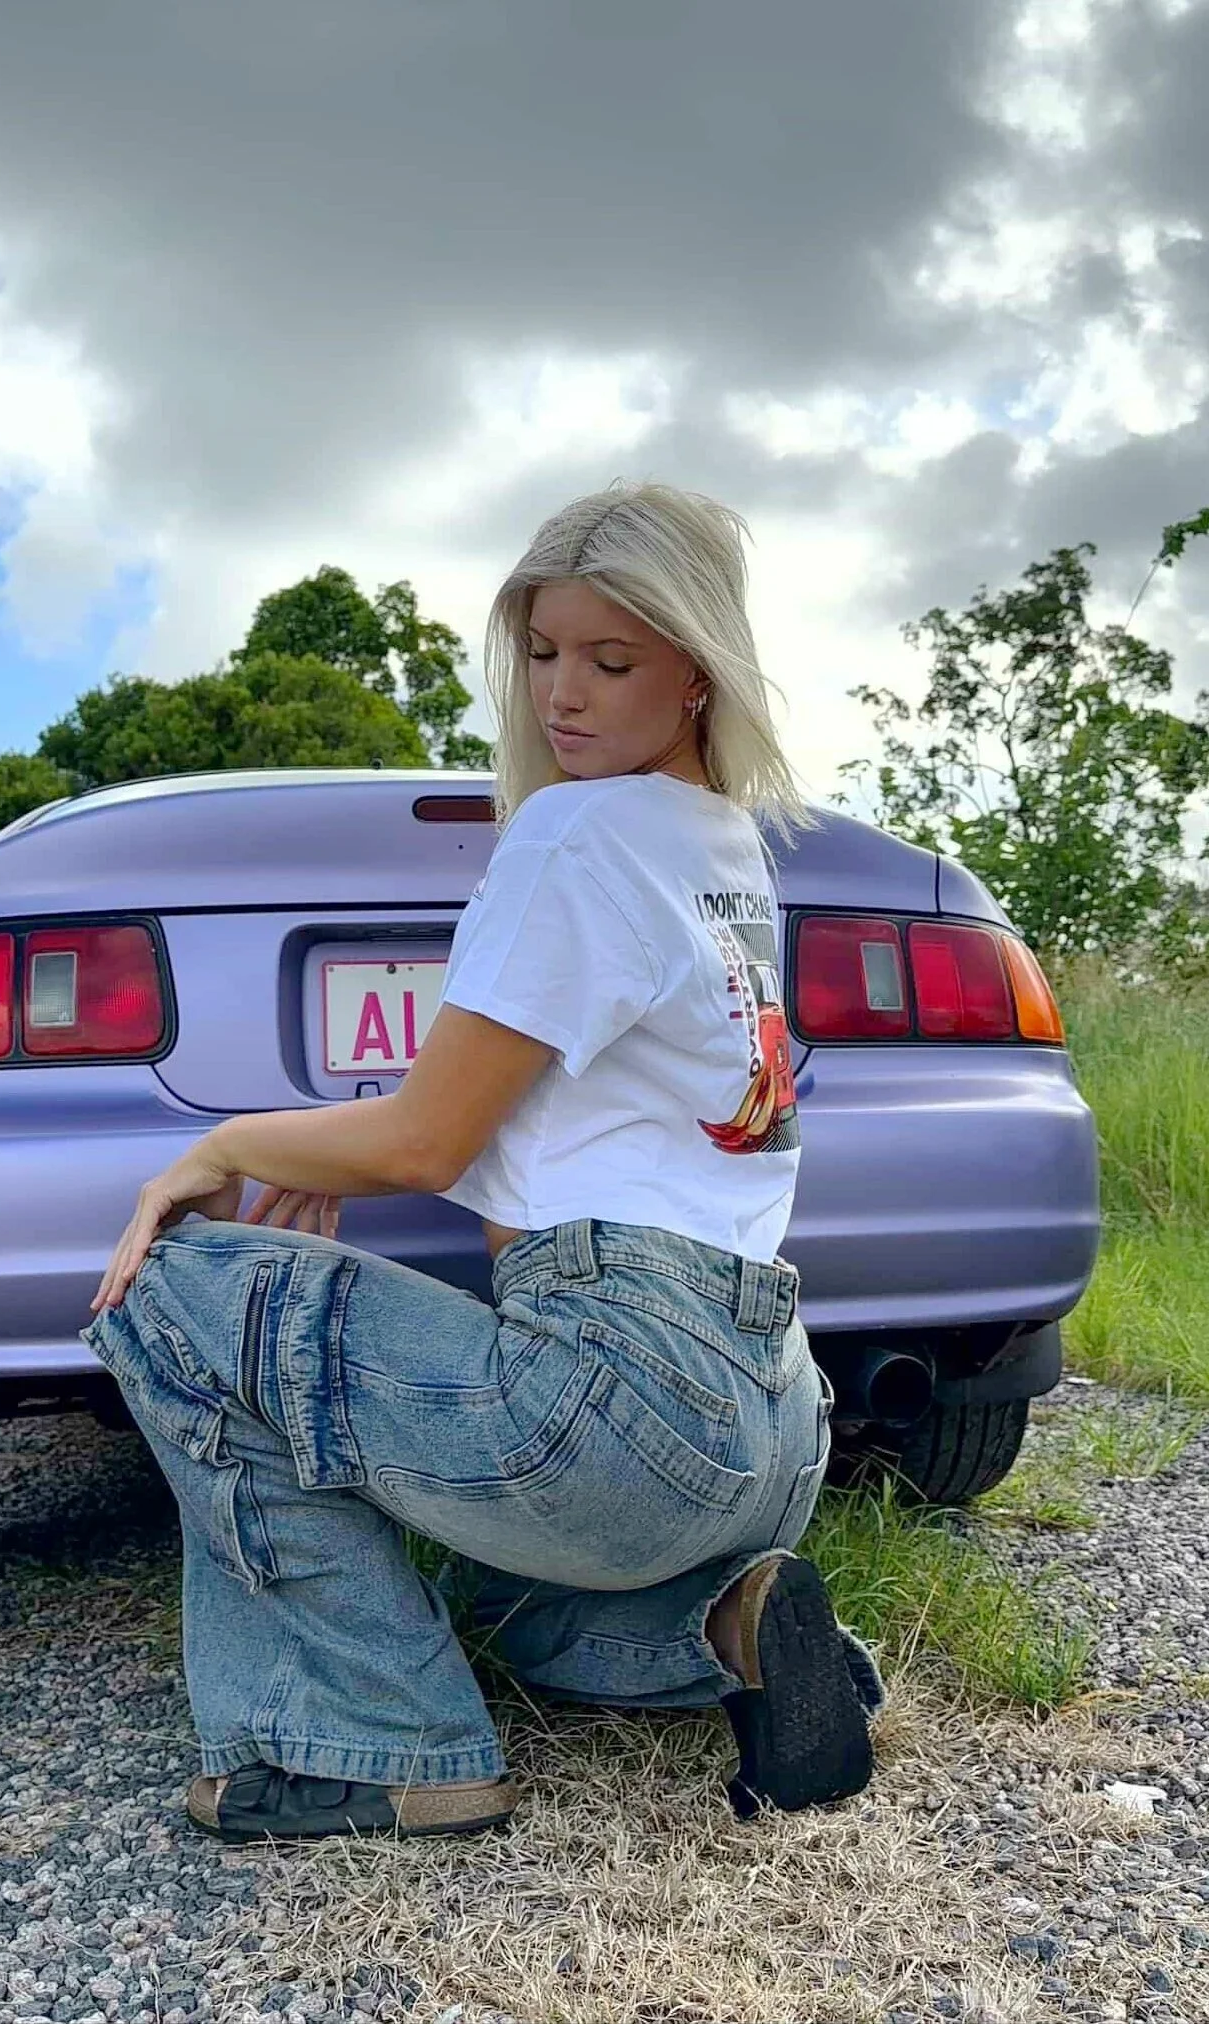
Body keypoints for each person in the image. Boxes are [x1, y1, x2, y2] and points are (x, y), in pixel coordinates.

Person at [81, 479, 885, 1848]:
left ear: (699, 668)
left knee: (163, 1287)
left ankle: (368, 1748)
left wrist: (217, 1148)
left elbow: (425, 1139)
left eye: (611, 660)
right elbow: (490, 1118)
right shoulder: (720, 844)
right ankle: (729, 1631)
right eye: (544, 652)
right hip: (767, 1422)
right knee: (497, 1589)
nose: (565, 694)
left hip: (620, 1402)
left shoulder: (578, 833)